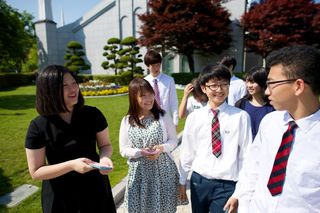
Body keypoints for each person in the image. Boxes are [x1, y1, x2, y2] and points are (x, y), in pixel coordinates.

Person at [224, 45, 320, 213]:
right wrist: (243, 200)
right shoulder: (270, 123)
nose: (267, 91)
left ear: (298, 86)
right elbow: (252, 167)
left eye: (272, 84)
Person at [25, 65, 116, 213]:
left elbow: (105, 145)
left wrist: (104, 158)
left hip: (95, 189)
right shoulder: (38, 126)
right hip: (60, 197)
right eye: (64, 86)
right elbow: (36, 171)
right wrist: (72, 165)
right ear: (49, 91)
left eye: (74, 83)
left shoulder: (93, 114)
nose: (73, 89)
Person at [178, 64, 252, 213]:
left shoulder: (240, 117)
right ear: (204, 88)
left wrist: (239, 192)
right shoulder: (194, 118)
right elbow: (187, 151)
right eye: (214, 85)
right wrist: (182, 181)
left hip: (227, 185)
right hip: (199, 182)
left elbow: (247, 156)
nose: (219, 89)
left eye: (224, 84)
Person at [119, 78, 179, 213]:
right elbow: (123, 149)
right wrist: (140, 152)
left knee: (164, 209)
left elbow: (173, 141)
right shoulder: (127, 120)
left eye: (150, 94)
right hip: (139, 175)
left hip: (163, 173)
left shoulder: (163, 116)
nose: (149, 98)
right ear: (134, 98)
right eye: (143, 96)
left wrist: (161, 148)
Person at [235, 67, 274, 139]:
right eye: (247, 82)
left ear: (262, 83)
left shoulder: (272, 106)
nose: (249, 85)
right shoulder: (241, 104)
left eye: (252, 82)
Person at [144, 49, 179, 127]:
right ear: (147, 66)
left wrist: (175, 120)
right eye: (153, 65)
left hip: (166, 119)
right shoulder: (144, 82)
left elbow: (173, 101)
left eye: (158, 65)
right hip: (149, 120)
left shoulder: (169, 80)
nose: (156, 68)